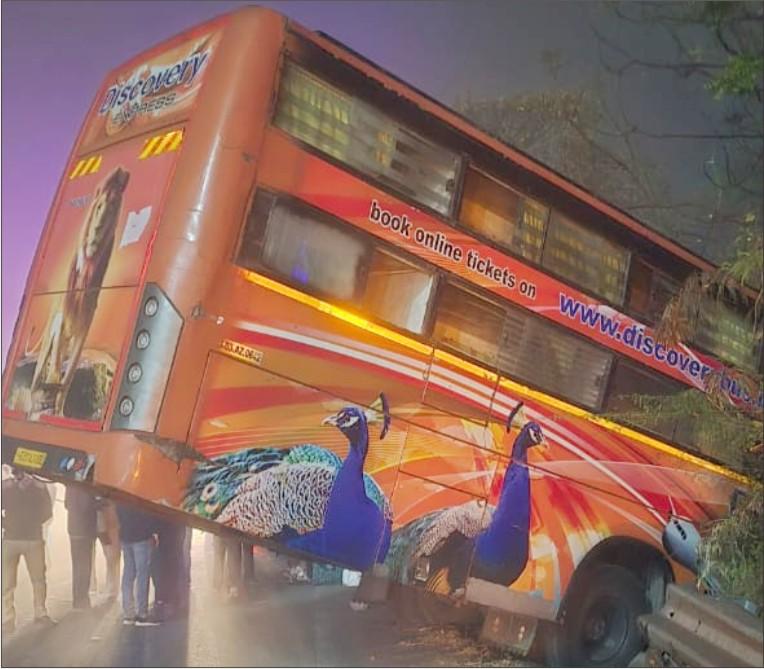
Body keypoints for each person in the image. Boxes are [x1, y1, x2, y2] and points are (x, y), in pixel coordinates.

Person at [2, 468, 54, 633]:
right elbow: (47, 512)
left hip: (11, 538)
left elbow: (47, 512)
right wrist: (34, 521)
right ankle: (40, 613)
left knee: (7, 582)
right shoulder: (39, 486)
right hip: (32, 538)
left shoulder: (5, 486)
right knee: (38, 579)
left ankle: (7, 618)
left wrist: (6, 523)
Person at [116, 502, 159, 626]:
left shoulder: (122, 495)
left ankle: (128, 613)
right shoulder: (140, 495)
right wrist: (153, 531)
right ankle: (142, 614)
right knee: (142, 575)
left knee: (128, 574)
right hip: (141, 536)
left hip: (125, 535)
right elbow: (147, 514)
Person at [65, 484, 99, 610]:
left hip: (73, 529)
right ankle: (83, 599)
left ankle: (77, 598)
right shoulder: (86, 488)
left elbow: (66, 504)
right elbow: (86, 507)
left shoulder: (70, 486)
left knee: (77, 565)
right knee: (85, 566)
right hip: (85, 530)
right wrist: (98, 504)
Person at [95, 500, 121, 601]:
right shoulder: (105, 503)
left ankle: (112, 589)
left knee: (112, 559)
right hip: (109, 530)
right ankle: (112, 588)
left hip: (110, 529)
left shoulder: (107, 502)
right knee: (111, 559)